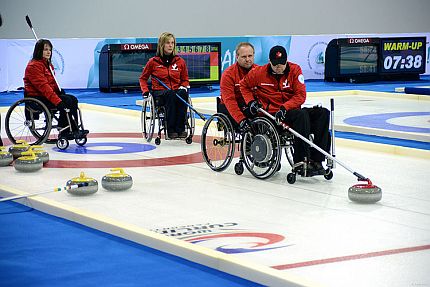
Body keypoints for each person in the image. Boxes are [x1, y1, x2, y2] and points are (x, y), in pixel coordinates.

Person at [240, 45, 330, 175]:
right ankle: (300, 161)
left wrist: (285, 107)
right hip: (272, 115)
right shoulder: (259, 73)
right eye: (275, 64)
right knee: (301, 115)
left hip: (290, 109)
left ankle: (317, 160)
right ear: (269, 61)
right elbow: (244, 85)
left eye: (282, 64)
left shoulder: (295, 70)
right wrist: (251, 102)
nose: (279, 67)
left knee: (322, 113)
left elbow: (300, 95)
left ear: (287, 60)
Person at [23, 39, 87, 139]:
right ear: (39, 51)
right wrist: (58, 101)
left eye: (50, 49)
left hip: (45, 95)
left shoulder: (48, 64)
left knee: (72, 99)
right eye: (45, 49)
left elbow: (52, 84)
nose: (48, 52)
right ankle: (65, 130)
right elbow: (44, 87)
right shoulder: (34, 66)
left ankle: (74, 128)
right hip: (37, 97)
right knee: (65, 101)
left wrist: (59, 92)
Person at [139, 32, 190, 139]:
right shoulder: (153, 62)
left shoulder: (180, 62)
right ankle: (170, 129)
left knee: (183, 94)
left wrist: (183, 86)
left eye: (172, 43)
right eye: (168, 43)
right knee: (170, 94)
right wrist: (145, 91)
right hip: (160, 92)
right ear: (162, 45)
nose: (171, 45)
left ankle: (181, 128)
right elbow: (143, 79)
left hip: (176, 90)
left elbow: (185, 79)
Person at [219, 42, 257, 132]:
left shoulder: (260, 71)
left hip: (251, 105)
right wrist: (241, 119)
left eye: (250, 56)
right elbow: (229, 101)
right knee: (248, 127)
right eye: (244, 57)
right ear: (237, 57)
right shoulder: (228, 74)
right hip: (231, 107)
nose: (248, 59)